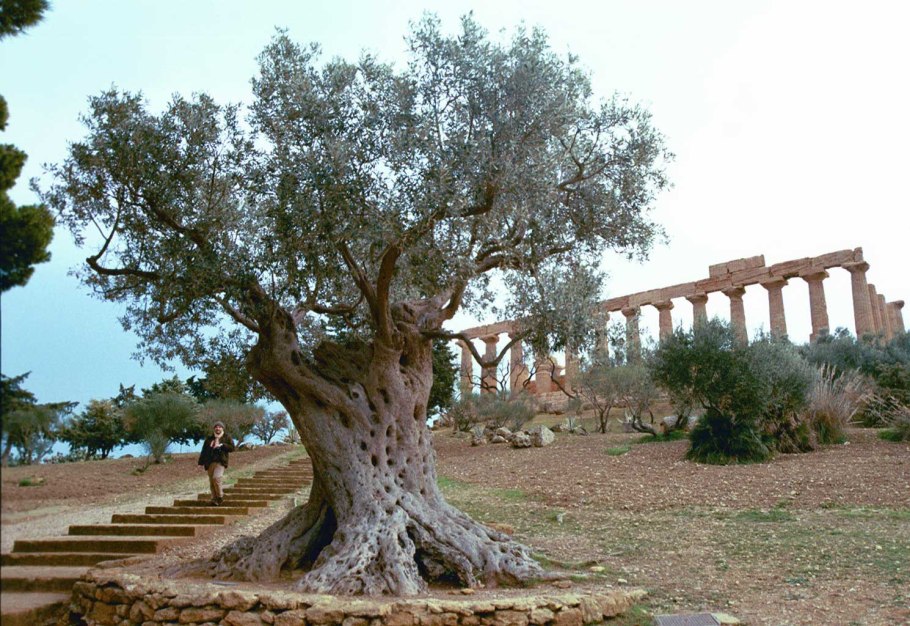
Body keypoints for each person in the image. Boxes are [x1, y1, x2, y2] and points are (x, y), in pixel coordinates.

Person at [197, 421, 234, 506]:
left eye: (219, 427)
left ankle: (220, 496)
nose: (218, 428)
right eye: (216, 427)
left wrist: (222, 445)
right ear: (214, 429)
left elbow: (232, 448)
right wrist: (200, 462)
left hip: (220, 462)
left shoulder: (226, 437)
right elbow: (204, 451)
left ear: (222, 428)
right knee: (211, 482)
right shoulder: (209, 439)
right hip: (209, 462)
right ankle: (214, 499)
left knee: (216, 478)